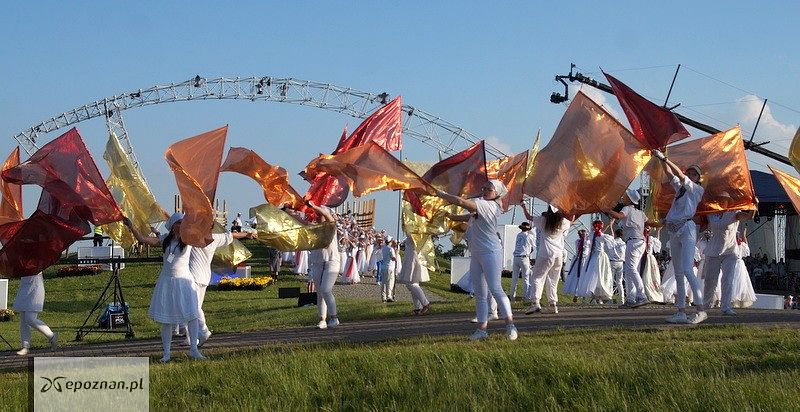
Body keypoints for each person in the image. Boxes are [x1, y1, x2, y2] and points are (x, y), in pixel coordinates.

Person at [436, 179, 518, 341]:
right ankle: (482, 330)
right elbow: (468, 217)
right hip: (477, 253)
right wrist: (450, 216)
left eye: (489, 189)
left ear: (496, 194)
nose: (484, 190)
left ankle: (510, 325)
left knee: (495, 289)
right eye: (484, 188)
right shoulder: (482, 206)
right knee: (480, 293)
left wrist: (442, 194)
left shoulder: (490, 206)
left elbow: (462, 202)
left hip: (491, 252)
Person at [124, 213, 204, 361]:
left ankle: (194, 349)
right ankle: (166, 353)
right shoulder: (165, 240)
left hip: (184, 281)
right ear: (173, 225)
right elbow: (142, 239)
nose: (182, 225)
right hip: (167, 282)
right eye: (179, 222)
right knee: (166, 319)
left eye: (183, 222)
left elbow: (203, 239)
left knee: (192, 315)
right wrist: (131, 227)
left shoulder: (189, 238)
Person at [652, 149, 706, 324]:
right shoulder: (681, 189)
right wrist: (661, 160)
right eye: (689, 172)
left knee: (688, 269)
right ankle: (681, 311)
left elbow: (680, 176)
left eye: (694, 173)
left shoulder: (696, 189)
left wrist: (665, 158)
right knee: (678, 272)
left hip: (687, 228)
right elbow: (670, 174)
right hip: (674, 229)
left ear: (698, 178)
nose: (690, 174)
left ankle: (700, 310)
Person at [187, 226, 254, 347]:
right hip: (204, 277)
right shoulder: (214, 237)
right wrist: (247, 234)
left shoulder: (193, 238)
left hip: (194, 276)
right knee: (196, 307)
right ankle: (193, 335)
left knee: (193, 306)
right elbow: (231, 235)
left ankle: (203, 331)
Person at [522, 202, 575, 315]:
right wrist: (573, 208)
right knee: (553, 279)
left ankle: (535, 302)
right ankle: (553, 304)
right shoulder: (563, 221)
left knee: (537, 278)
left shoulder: (543, 220)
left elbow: (528, 217)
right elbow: (572, 219)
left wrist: (523, 205)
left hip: (545, 253)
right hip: (558, 254)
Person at [702, 207, 756, 315]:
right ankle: (706, 305)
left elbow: (750, 216)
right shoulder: (711, 213)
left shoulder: (734, 213)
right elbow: (699, 221)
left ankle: (725, 307)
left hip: (730, 251)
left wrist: (754, 205)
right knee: (710, 280)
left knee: (728, 279)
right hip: (713, 250)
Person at [603, 188, 651, 308]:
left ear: (630, 199)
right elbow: (649, 222)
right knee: (630, 270)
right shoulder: (640, 213)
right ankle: (631, 299)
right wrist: (661, 223)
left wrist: (608, 210)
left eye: (626, 196)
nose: (624, 197)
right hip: (640, 242)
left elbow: (619, 216)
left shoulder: (627, 208)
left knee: (631, 269)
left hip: (633, 241)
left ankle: (642, 296)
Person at [306, 201, 341, 329]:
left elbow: (327, 215)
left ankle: (334, 318)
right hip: (317, 262)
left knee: (326, 289)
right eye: (317, 215)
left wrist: (314, 206)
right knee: (320, 292)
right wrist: (286, 210)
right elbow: (299, 220)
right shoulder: (314, 229)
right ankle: (322, 319)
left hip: (332, 261)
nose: (318, 216)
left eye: (320, 214)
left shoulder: (332, 227)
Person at [13, 272, 57, 356]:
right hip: (24, 288)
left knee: (30, 319)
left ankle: (51, 335)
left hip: (35, 288)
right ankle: (25, 347)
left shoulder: (37, 264)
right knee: (23, 320)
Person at [398, 236, 433, 315]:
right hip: (412, 256)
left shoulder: (416, 232)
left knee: (411, 284)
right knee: (413, 284)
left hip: (414, 257)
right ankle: (418, 307)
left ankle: (425, 304)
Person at [583, 220, 614, 303]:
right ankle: (599, 296)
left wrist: (608, 225)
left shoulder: (592, 235)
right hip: (601, 256)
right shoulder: (603, 236)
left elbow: (597, 233)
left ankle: (595, 296)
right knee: (601, 275)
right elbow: (612, 239)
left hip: (593, 256)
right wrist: (610, 226)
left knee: (593, 275)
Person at [509, 221, 536, 301]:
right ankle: (525, 297)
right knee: (526, 278)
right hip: (524, 258)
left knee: (514, 279)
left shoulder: (518, 235)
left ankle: (512, 297)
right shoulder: (529, 236)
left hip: (516, 257)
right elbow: (534, 245)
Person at [564, 229, 591, 299]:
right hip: (583, 260)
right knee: (584, 276)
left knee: (576, 276)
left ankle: (577, 292)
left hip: (577, 259)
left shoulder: (577, 241)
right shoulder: (587, 242)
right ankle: (582, 292)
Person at [605, 226, 626, 303]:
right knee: (619, 282)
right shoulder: (623, 243)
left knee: (610, 281)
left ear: (616, 234)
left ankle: (610, 299)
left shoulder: (613, 242)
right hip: (621, 263)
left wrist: (610, 226)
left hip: (613, 262)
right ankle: (622, 299)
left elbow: (608, 247)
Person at [379, 237, 397, 302]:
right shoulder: (391, 249)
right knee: (390, 282)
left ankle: (383, 297)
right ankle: (389, 296)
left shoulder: (383, 248)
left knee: (383, 282)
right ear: (390, 241)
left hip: (383, 266)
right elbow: (393, 258)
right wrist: (396, 253)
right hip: (390, 267)